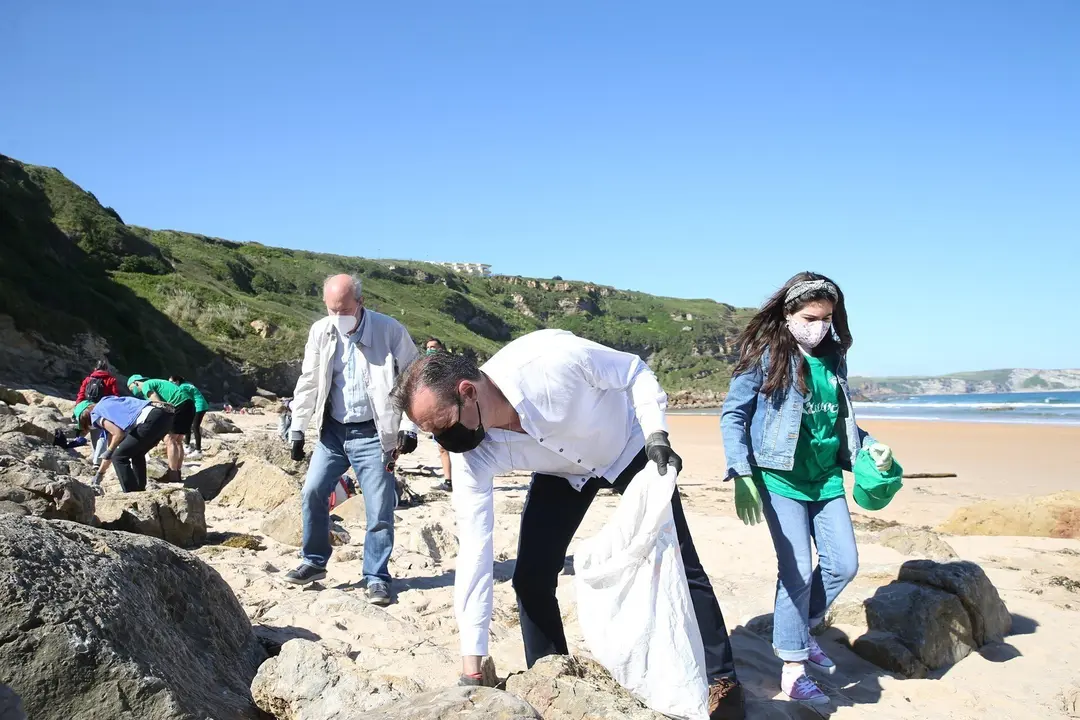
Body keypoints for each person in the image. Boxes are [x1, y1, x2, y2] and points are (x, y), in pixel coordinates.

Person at [393, 329, 745, 720]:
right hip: (562, 474)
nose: (444, 441)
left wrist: (656, 433)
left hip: (626, 446)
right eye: (432, 434)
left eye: (444, 426)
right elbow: (475, 549)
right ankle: (552, 673)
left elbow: (634, 370)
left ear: (468, 391)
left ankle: (722, 681)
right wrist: (471, 664)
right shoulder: (470, 454)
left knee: (680, 558)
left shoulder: (551, 358)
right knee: (530, 580)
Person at [720, 272, 894, 705]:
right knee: (796, 569)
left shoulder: (834, 359)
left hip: (826, 478)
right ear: (789, 314)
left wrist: (869, 446)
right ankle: (794, 670)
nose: (818, 326)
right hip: (778, 477)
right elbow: (733, 415)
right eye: (810, 318)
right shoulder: (765, 355)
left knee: (844, 565)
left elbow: (835, 420)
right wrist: (741, 472)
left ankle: (799, 628)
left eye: (826, 318)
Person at [283, 274, 420, 607]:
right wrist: (298, 426)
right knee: (313, 491)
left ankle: (376, 576)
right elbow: (309, 380)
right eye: (331, 309)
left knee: (379, 508)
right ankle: (314, 560)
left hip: (374, 433)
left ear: (361, 303)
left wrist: (410, 427)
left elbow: (415, 378)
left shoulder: (390, 330)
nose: (337, 316)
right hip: (332, 431)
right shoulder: (321, 330)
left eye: (344, 310)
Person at [75, 396, 174, 493]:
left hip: (149, 420)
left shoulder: (95, 414)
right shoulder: (107, 403)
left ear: (85, 417)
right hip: (164, 417)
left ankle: (131, 492)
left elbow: (118, 434)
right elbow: (111, 450)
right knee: (137, 453)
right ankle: (140, 490)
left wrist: (110, 452)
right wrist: (100, 473)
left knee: (119, 457)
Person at [126, 374, 196, 484]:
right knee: (178, 440)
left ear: (136, 382)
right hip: (189, 404)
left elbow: (159, 404)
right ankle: (177, 472)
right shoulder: (156, 381)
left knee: (169, 439)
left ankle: (172, 473)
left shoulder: (146, 385)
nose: (132, 391)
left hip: (178, 405)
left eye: (131, 388)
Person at [75, 359, 120, 464]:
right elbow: (115, 396)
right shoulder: (111, 380)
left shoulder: (88, 379)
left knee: (91, 431)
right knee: (102, 434)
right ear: (106, 369)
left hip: (87, 408)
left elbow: (81, 394)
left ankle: (93, 455)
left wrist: (78, 406)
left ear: (95, 369)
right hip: (102, 408)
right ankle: (97, 461)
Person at [424, 337, 454, 492]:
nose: (430, 350)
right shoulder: (426, 368)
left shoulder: (449, 366)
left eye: (433, 347)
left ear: (441, 348)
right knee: (442, 447)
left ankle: (461, 480)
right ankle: (448, 481)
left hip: (450, 410)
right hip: (436, 411)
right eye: (428, 347)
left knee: (456, 447)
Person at [169, 375, 208, 459]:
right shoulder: (186, 384)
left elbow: (182, 399)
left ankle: (198, 451)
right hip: (200, 404)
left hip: (199, 406)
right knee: (188, 424)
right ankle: (187, 446)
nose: (170, 384)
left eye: (171, 382)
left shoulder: (182, 387)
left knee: (195, 427)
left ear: (177, 381)